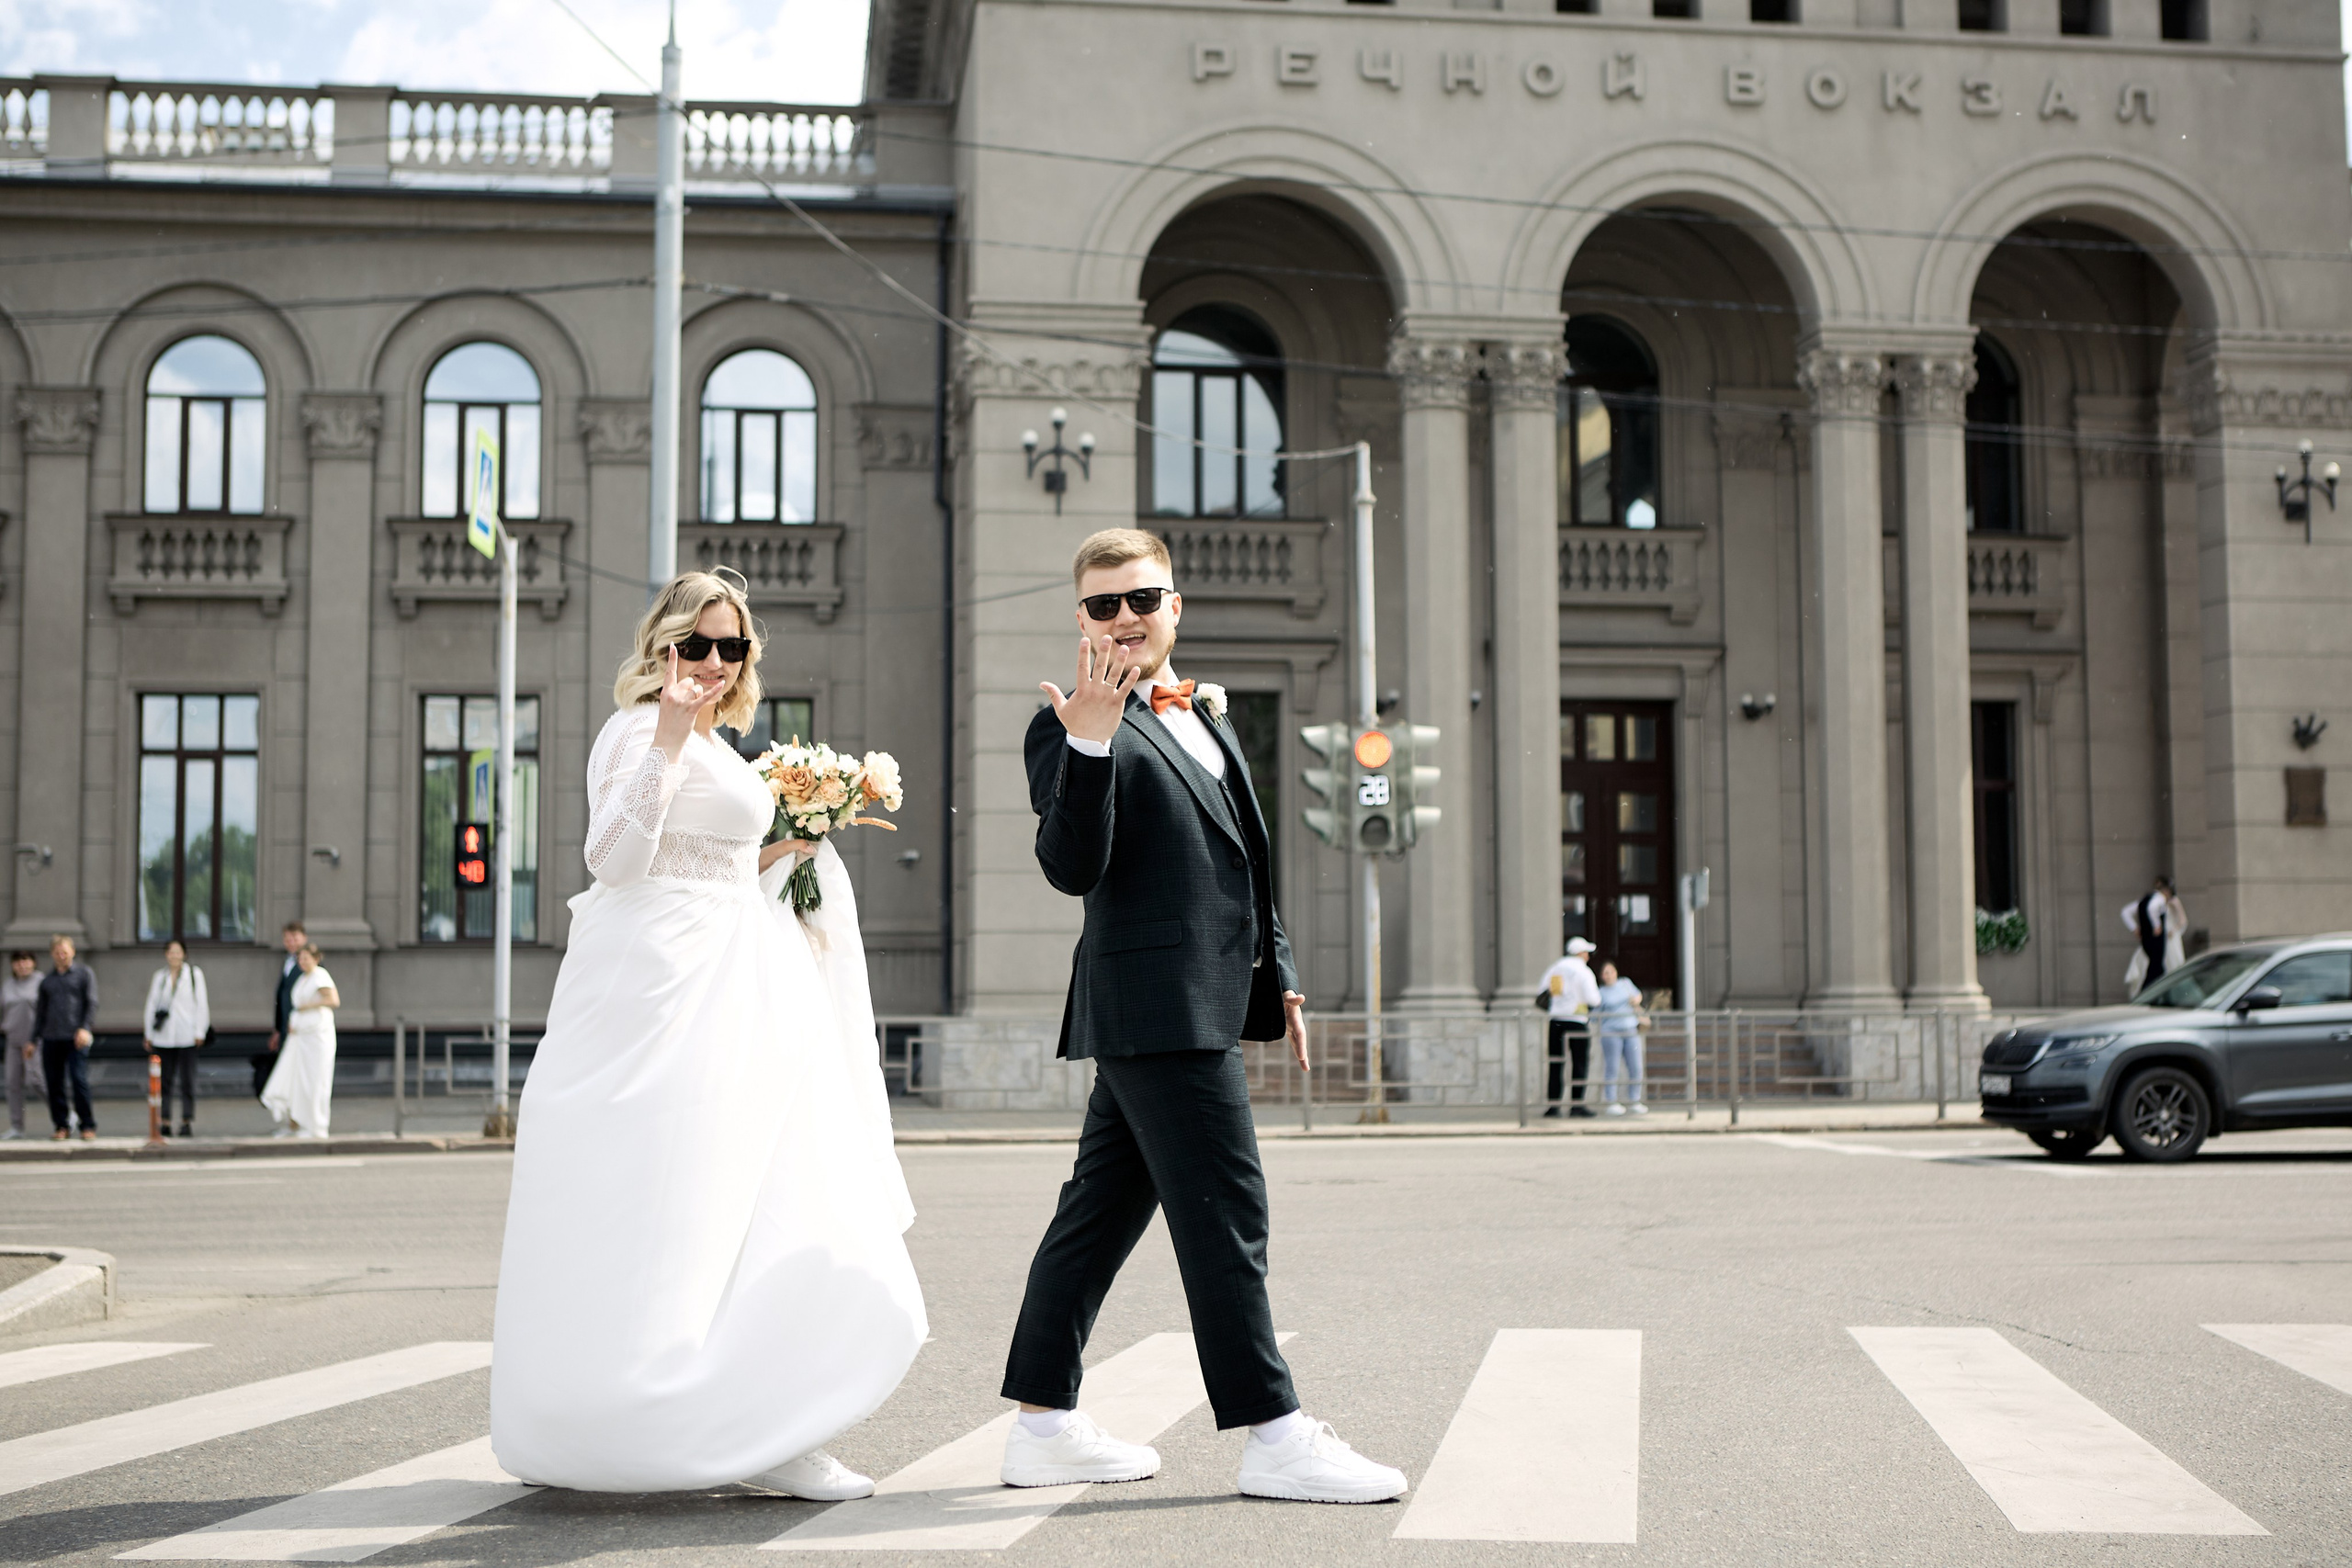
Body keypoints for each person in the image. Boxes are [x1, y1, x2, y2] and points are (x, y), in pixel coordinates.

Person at [490, 570, 923, 1500]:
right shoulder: (636, 731)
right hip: (658, 991)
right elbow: (615, 860)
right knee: (674, 1207)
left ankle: (771, 1422)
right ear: (663, 648)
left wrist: (788, 854)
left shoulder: (723, 745)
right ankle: (645, 1420)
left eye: (733, 648)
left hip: (739, 976)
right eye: (698, 645)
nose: (716, 664)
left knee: (764, 1197)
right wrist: (670, 737)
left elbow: (713, 865)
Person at [1002, 529, 1408, 1506]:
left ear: (1174, 606)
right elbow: (1071, 868)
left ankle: (1042, 1424)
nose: (1123, 618)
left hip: (1198, 998)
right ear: (1080, 620)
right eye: (1101, 606)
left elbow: (1241, 860)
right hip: (1157, 1007)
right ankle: (1273, 1434)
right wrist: (1093, 741)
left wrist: (1283, 974)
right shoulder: (1064, 725)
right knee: (1228, 1216)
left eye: (1140, 598)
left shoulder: (1207, 715)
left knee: (1096, 1218)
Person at [260, 943, 336, 1138]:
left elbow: (333, 1000)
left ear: (316, 958)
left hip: (316, 1039)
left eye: (306, 958)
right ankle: (297, 1123)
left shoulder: (320, 975)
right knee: (297, 1081)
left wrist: (308, 1006)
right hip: (301, 1038)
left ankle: (316, 1126)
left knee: (315, 1081)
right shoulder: (303, 978)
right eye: (300, 958)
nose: (303, 962)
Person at [34, 935, 98, 1141]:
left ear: (73, 952)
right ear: (52, 954)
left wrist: (85, 1028)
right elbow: (40, 1013)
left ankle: (87, 1125)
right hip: (51, 1037)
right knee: (54, 1084)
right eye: (57, 952)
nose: (61, 956)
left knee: (79, 1080)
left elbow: (92, 1003)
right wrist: (32, 1039)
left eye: (65, 952)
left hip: (76, 1037)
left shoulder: (84, 974)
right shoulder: (47, 981)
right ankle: (62, 1125)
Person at [143, 940, 209, 1138]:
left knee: (187, 1081)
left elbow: (202, 1004)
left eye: (178, 952)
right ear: (166, 955)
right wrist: (149, 1033)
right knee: (164, 1082)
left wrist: (200, 1031)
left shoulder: (193, 974)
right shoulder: (160, 977)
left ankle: (186, 1120)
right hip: (164, 1037)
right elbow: (151, 1005)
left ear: (184, 954)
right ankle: (165, 1121)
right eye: (171, 952)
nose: (174, 956)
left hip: (187, 1035)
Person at [1535, 938, 1601, 1119]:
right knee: (1579, 1064)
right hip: (1577, 1020)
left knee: (1556, 1063)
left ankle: (1553, 1106)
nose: (1588, 956)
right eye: (1586, 952)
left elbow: (1542, 991)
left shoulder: (1555, 967)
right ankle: (1577, 1105)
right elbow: (1594, 999)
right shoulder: (1584, 971)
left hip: (1556, 1020)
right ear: (1580, 953)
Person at [1593, 960, 1647, 1116]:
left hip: (1630, 1029)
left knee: (1636, 1066)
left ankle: (1635, 1100)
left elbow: (1638, 995)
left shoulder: (1625, 983)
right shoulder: (1601, 992)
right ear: (1602, 976)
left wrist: (1636, 1000)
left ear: (1616, 972)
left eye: (1610, 971)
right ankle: (1611, 1101)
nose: (1608, 975)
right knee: (1612, 1067)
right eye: (1605, 973)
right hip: (1610, 1032)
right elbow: (1595, 1014)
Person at [257, 921, 305, 1098]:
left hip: (299, 1028)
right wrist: (277, 1029)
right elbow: (281, 997)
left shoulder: (307, 962)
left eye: (294, 938)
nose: (290, 942)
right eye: (287, 938)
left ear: (303, 938)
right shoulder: (288, 961)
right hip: (285, 1027)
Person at [2121, 875, 2188, 995]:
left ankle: (2152, 991)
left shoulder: (2164, 900)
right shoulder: (2157, 900)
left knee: (2159, 966)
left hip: (2165, 939)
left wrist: (2172, 930)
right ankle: (2152, 991)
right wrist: (2156, 925)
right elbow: (2150, 909)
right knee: (2157, 966)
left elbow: (2182, 920)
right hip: (2158, 940)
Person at [3, 952, 44, 1140]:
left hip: (34, 1041)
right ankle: (17, 1127)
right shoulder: (7, 985)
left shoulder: (41, 982)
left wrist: (36, 1038)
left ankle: (65, 1114)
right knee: (12, 1084)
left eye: (26, 961)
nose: (22, 965)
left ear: (33, 963)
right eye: (18, 962)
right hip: (13, 1040)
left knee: (36, 1081)